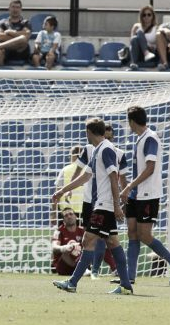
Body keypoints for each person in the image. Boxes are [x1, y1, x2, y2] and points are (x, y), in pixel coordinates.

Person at [52, 118, 133, 295]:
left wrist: (116, 206)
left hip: (104, 205)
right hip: (103, 204)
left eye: (86, 132)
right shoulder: (97, 150)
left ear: (89, 132)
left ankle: (72, 283)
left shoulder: (106, 150)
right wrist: (62, 192)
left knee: (88, 240)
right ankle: (126, 285)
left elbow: (114, 176)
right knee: (113, 242)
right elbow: (84, 177)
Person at [117, 106, 170, 286]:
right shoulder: (140, 139)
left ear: (131, 121)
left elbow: (151, 167)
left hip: (148, 194)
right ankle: (129, 278)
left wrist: (129, 185)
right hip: (136, 194)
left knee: (144, 235)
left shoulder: (150, 138)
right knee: (131, 232)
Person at [0, 0, 31, 67]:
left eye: (17, 7)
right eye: (13, 7)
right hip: (6, 50)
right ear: (9, 8)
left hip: (21, 51)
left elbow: (26, 36)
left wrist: (11, 32)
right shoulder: (3, 22)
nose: (15, 9)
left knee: (23, 39)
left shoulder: (25, 22)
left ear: (20, 9)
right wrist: (17, 38)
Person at [53, 145, 84, 220]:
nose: (69, 158)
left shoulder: (65, 170)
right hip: (84, 210)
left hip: (66, 212)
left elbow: (57, 192)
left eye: (70, 155)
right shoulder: (89, 170)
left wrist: (53, 212)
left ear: (74, 156)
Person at [52, 208, 84, 275]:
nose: (69, 216)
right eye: (66, 215)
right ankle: (83, 270)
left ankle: (86, 269)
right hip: (63, 266)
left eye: (71, 214)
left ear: (76, 216)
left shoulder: (82, 231)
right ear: (63, 220)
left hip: (78, 260)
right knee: (67, 251)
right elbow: (54, 247)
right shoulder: (58, 231)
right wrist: (65, 248)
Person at [126, 5, 157, 70]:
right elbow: (132, 42)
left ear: (152, 16)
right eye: (144, 15)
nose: (146, 17)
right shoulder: (136, 26)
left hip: (151, 54)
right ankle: (134, 62)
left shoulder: (156, 28)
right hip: (138, 53)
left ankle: (146, 53)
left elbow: (158, 44)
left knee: (139, 32)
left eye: (149, 15)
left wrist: (148, 45)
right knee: (135, 37)